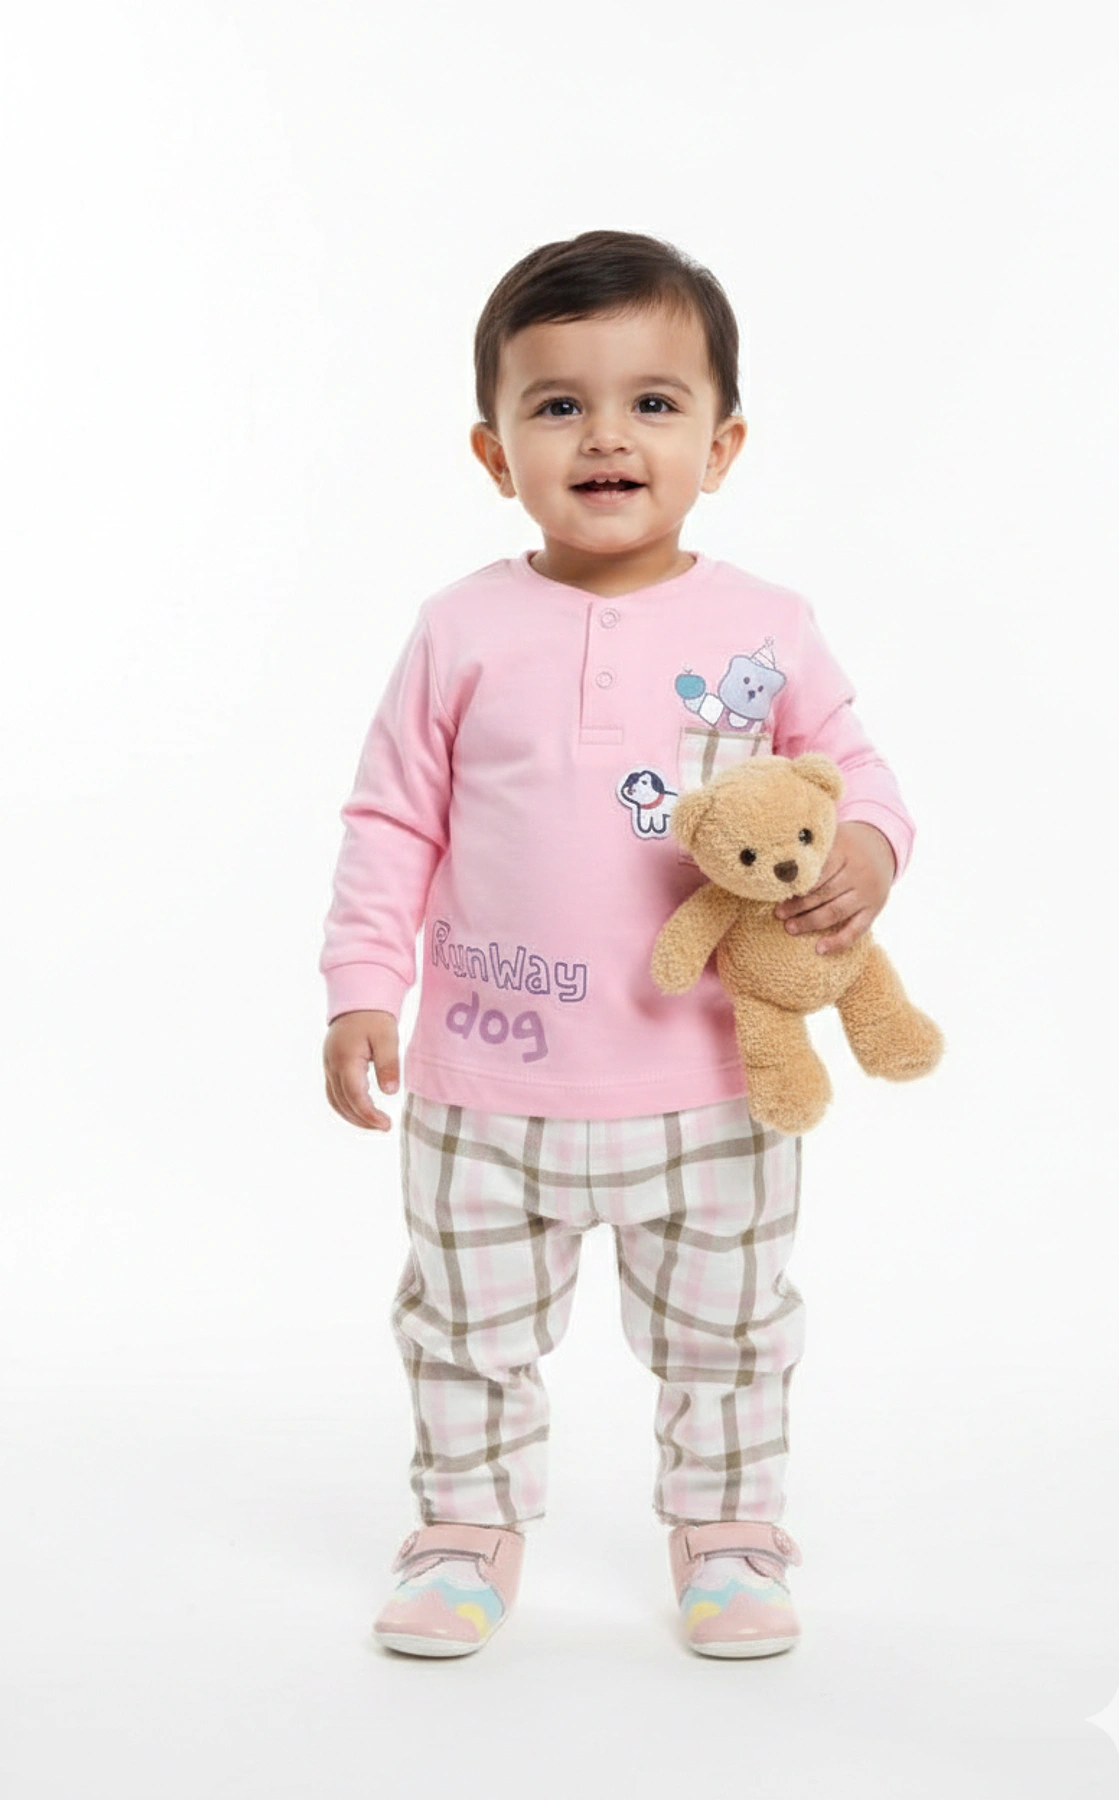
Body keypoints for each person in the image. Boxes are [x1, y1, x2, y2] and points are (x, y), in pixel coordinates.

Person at [320, 230, 916, 1660]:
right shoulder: (461, 628)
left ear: (722, 444)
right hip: (490, 1076)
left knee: (730, 1333)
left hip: (713, 1084)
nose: (606, 435)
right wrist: (362, 987)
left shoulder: (766, 628)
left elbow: (859, 773)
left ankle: (728, 1533)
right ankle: (465, 1530)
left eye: (654, 402)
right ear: (494, 451)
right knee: (463, 1328)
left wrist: (867, 852)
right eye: (558, 404)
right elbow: (391, 817)